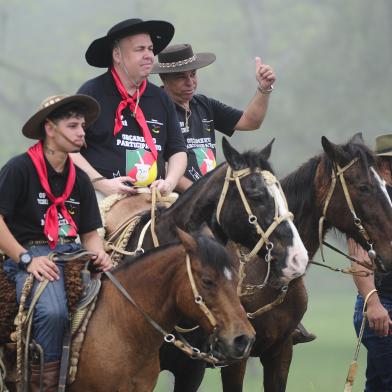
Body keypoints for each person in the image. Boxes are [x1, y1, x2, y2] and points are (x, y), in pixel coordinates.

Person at [0, 94, 112, 391]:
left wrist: (100, 254)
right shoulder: (19, 169)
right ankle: (44, 385)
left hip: (71, 252)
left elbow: (89, 232)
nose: (81, 133)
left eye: (83, 126)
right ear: (50, 129)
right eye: (73, 126)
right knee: (54, 311)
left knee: (118, 297)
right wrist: (26, 259)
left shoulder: (80, 179)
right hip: (30, 251)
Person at [71, 19, 187, 200]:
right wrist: (102, 183)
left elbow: (178, 150)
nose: (149, 55)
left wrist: (169, 183)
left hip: (153, 195)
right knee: (94, 227)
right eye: (140, 49)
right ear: (117, 55)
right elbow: (68, 149)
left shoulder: (161, 97)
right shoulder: (92, 93)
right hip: (102, 193)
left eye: (150, 49)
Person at [151, 43, 276, 191]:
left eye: (193, 74)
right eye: (181, 77)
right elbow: (160, 164)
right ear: (164, 78)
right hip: (172, 201)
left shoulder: (204, 105)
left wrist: (264, 88)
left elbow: (250, 122)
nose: (190, 82)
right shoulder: (154, 110)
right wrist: (197, 194)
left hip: (205, 199)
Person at [349, 134, 392, 391]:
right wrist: (373, 303)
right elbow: (359, 256)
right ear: (386, 166)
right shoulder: (370, 204)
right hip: (382, 306)